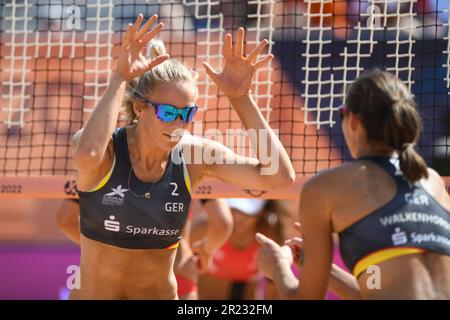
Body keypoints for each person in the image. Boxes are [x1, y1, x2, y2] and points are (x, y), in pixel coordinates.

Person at [70, 14, 295, 299]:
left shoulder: (192, 155)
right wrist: (120, 78)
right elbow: (87, 155)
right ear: (140, 108)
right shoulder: (107, 149)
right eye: (167, 113)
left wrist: (241, 98)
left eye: (187, 114)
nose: (178, 124)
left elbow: (279, 177)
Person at [256, 69, 450, 299]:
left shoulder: (325, 187)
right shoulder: (433, 181)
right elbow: (378, 293)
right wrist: (325, 270)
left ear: (354, 121)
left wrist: (278, 268)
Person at [55, 198, 233, 300]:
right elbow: (223, 224)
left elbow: (65, 220)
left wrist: (104, 248)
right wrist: (207, 251)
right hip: (174, 269)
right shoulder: (191, 153)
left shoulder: (104, 154)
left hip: (112, 273)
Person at [191, 198, 290, 299]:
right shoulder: (205, 229)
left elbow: (273, 287)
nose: (238, 217)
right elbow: (182, 270)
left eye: (247, 212)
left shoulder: (270, 234)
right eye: (234, 209)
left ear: (262, 211)